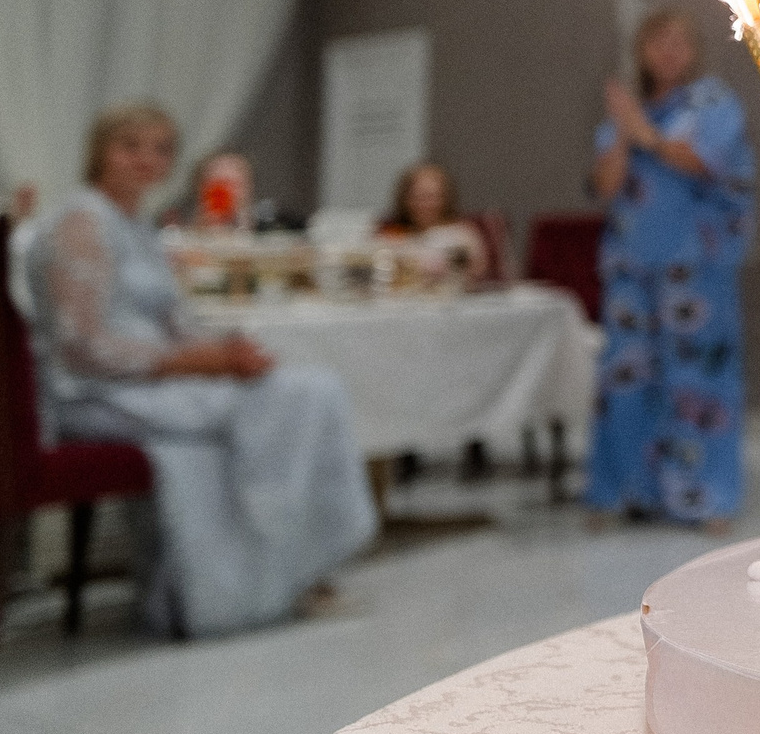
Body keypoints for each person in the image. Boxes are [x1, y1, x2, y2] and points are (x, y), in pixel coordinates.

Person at [24, 103, 376, 636]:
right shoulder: (80, 221)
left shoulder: (137, 227)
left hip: (158, 378)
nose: (147, 159)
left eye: (162, 148)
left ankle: (274, 567)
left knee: (309, 387)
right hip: (96, 392)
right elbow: (82, 347)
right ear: (100, 151)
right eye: (132, 145)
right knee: (305, 396)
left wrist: (230, 353)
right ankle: (273, 558)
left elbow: (173, 322)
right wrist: (201, 362)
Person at [584, 9, 756, 528]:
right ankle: (627, 493)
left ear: (695, 50)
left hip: (695, 268)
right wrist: (624, 131)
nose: (668, 52)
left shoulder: (713, 103)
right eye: (657, 42)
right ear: (640, 51)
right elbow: (606, 187)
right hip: (632, 267)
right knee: (626, 377)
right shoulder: (626, 115)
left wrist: (648, 136)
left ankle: (706, 498)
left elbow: (710, 163)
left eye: (679, 42)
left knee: (699, 379)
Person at [378, 160, 490, 281]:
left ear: (446, 198)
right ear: (404, 199)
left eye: (432, 197)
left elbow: (477, 274)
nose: (425, 204)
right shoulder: (390, 234)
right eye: (418, 197)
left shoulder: (463, 235)